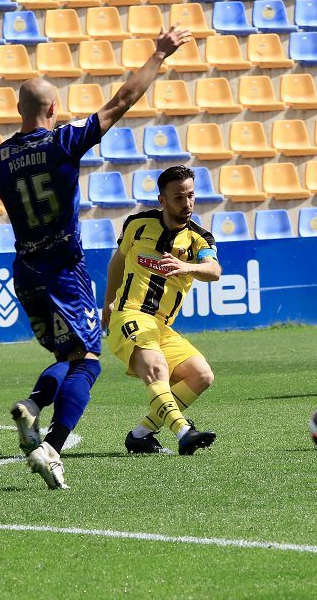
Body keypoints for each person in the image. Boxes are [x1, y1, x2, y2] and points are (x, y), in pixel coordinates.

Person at [0, 26, 192, 489]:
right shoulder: (64, 142)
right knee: (88, 360)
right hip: (65, 270)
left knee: (66, 356)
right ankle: (53, 446)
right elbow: (122, 99)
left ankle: (31, 405)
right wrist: (158, 54)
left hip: (24, 272)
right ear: (52, 109)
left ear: (18, 111)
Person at [101, 166, 220, 455]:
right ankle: (184, 431)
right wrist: (107, 303)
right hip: (130, 314)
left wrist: (187, 267)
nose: (187, 204)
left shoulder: (199, 240)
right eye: (179, 197)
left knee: (200, 375)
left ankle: (140, 435)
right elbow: (118, 262)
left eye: (191, 196)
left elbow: (214, 270)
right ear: (163, 201)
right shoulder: (138, 225)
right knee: (157, 368)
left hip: (161, 326)